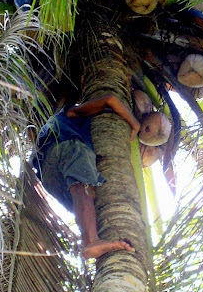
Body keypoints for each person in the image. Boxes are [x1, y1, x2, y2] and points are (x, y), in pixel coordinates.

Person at [33, 94, 140, 259]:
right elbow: (110, 99)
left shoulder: (49, 127)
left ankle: (89, 239)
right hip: (66, 148)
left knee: (85, 198)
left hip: (47, 175)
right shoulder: (68, 113)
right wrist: (135, 125)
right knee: (83, 188)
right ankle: (91, 242)